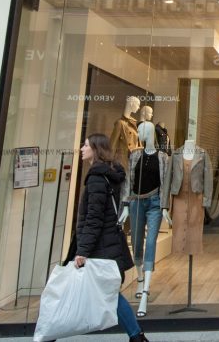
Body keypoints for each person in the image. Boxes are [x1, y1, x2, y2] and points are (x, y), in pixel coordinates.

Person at [67, 133, 148, 342]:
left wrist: (82, 251)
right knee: (107, 292)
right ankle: (136, 336)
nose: (82, 149)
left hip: (100, 246)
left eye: (85, 145)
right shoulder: (109, 175)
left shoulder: (97, 178)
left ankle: (137, 336)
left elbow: (94, 218)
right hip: (108, 242)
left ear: (96, 149)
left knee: (106, 292)